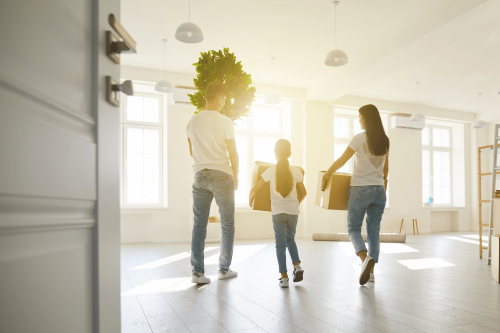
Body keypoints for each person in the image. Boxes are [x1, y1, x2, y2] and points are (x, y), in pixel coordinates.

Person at [321, 104, 389, 285]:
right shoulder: (385, 140)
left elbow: (342, 160)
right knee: (374, 231)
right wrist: (383, 188)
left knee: (353, 228)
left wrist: (326, 174)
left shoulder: (359, 138)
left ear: (366, 118)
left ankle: (364, 259)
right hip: (379, 190)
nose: (359, 120)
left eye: (360, 116)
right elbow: (386, 169)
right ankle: (372, 272)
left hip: (360, 189)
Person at [186, 82, 239, 284]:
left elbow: (192, 152)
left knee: (199, 225)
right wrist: (237, 176)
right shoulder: (225, 121)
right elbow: (233, 154)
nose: (224, 103)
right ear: (218, 98)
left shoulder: (192, 122)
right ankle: (224, 269)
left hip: (199, 175)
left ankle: (197, 273)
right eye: (224, 99)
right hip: (222, 174)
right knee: (227, 224)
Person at [249, 139, 307, 288]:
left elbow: (255, 189)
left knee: (280, 244)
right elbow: (304, 192)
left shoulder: (270, 171)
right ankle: (297, 266)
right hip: (293, 212)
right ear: (290, 153)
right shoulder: (296, 171)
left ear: (275, 152)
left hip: (278, 212)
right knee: (291, 239)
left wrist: (251, 199)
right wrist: (295, 204)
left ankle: (284, 278)